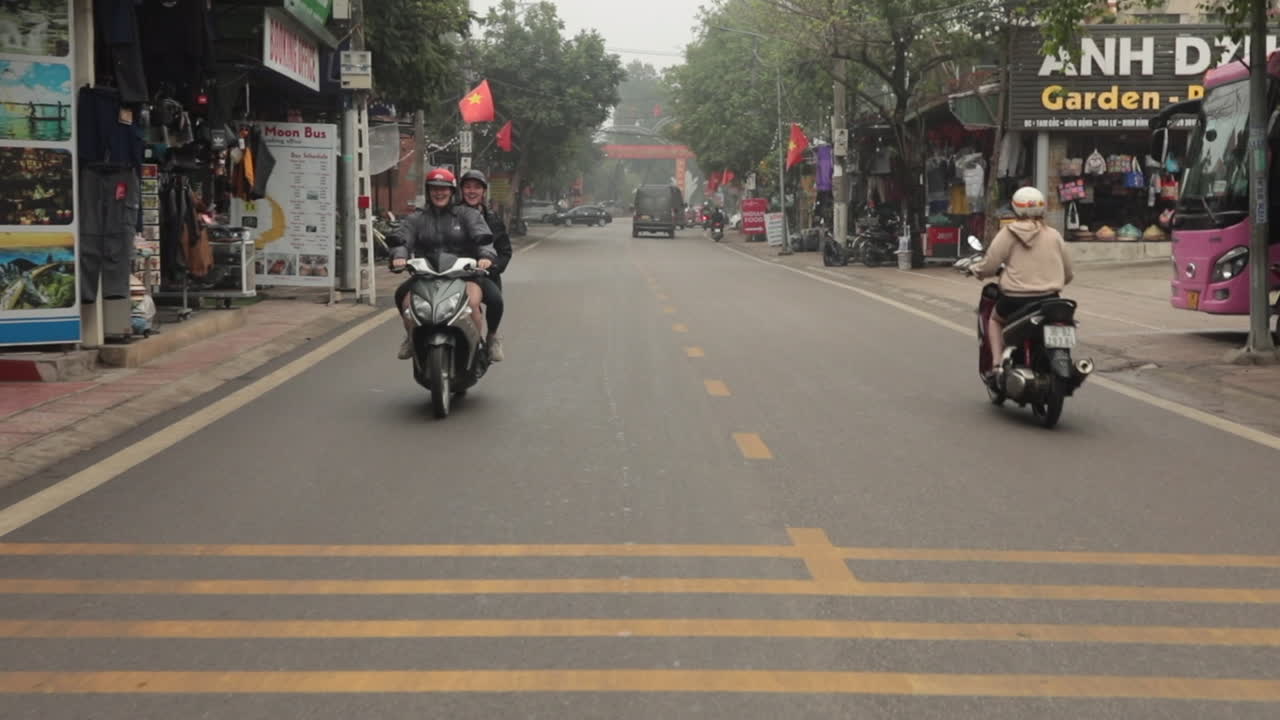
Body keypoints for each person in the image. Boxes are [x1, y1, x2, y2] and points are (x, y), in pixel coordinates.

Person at [388, 167, 497, 360]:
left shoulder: (467, 214)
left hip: (464, 275)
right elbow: (402, 240)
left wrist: (486, 256)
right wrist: (399, 255)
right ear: (428, 191)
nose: (439, 193)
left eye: (444, 188)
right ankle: (411, 339)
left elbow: (483, 238)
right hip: (426, 275)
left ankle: (478, 347)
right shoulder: (417, 218)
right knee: (404, 301)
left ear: (452, 191)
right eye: (434, 188)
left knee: (476, 303)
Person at [972, 186, 1074, 378]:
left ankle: (996, 365)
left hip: (1015, 301)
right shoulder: (1054, 235)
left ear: (1015, 208)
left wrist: (977, 270)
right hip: (1050, 300)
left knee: (994, 320)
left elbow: (990, 265)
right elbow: (1068, 272)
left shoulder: (1007, 233)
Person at [457, 168, 511, 361]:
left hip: (483, 275)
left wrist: (492, 265)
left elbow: (504, 251)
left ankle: (491, 337)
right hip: (453, 273)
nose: (472, 191)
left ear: (484, 191)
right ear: (461, 190)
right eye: (468, 187)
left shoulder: (493, 219)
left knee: (496, 301)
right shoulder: (451, 215)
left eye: (477, 187)